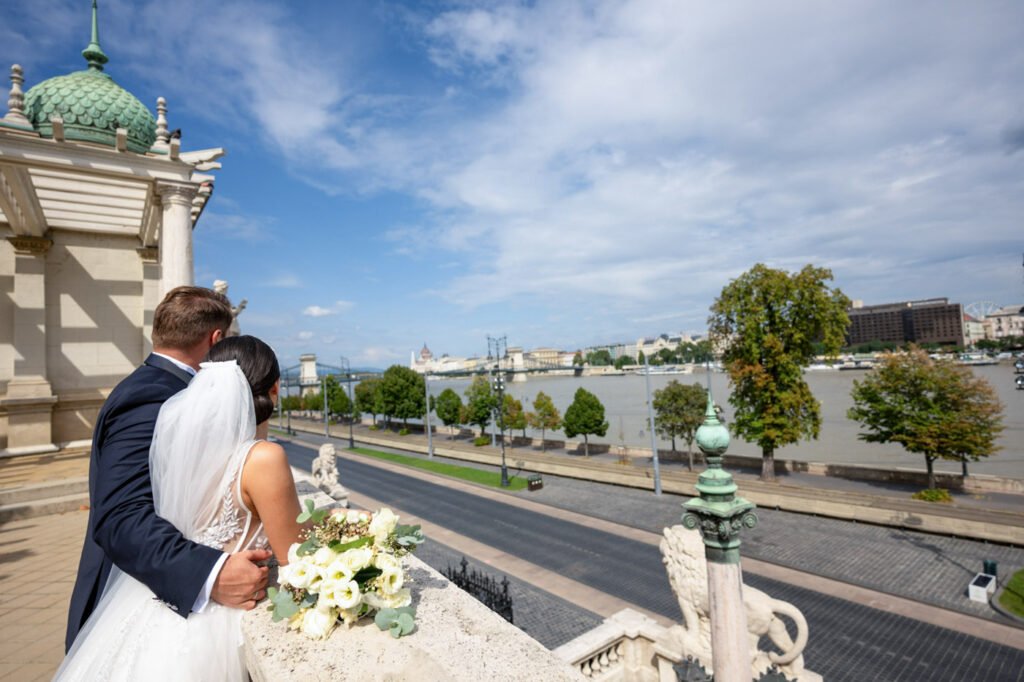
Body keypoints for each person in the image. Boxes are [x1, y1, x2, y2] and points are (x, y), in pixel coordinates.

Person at [56, 335, 304, 680]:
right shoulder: (265, 457)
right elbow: (298, 558)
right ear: (275, 389)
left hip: (161, 613)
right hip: (221, 620)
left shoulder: (186, 454)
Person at [65, 287, 271, 653]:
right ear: (217, 339)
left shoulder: (151, 384)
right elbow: (121, 516)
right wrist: (210, 574)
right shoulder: (154, 396)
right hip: (146, 603)